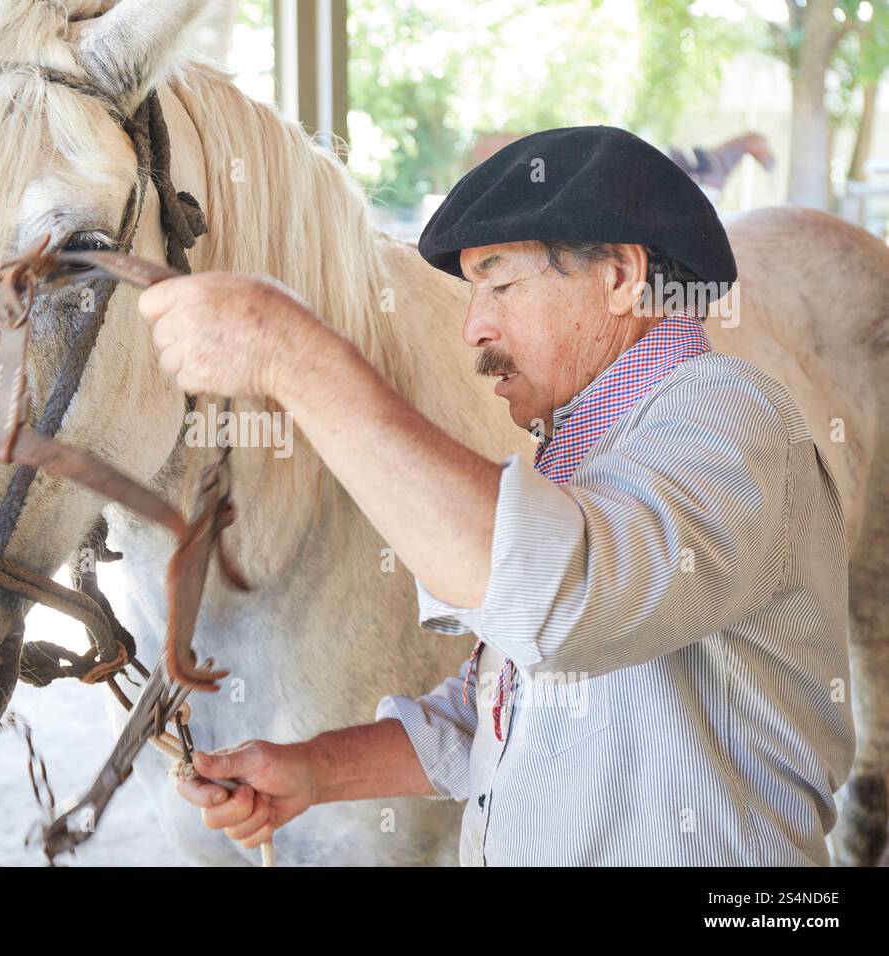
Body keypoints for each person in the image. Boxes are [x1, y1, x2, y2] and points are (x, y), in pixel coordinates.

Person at [135, 126, 853, 865]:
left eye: (501, 284)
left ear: (620, 277)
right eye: (474, 290)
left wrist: (294, 356)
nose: (475, 326)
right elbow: (510, 715)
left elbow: (565, 601)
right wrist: (315, 770)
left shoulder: (729, 413)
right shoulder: (587, 453)